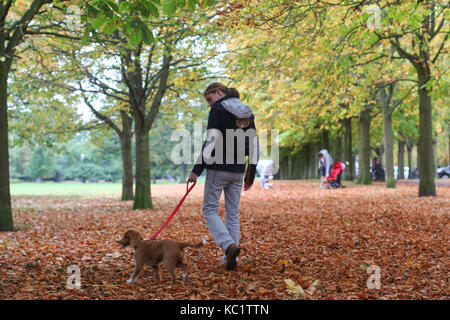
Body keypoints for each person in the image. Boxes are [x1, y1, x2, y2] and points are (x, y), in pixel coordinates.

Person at [188, 82, 258, 271]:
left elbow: (211, 141)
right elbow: (254, 142)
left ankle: (228, 246)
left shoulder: (218, 109)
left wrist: (196, 170)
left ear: (218, 92)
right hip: (238, 170)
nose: (210, 105)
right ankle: (229, 259)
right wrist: (250, 173)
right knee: (232, 213)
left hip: (218, 168)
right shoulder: (246, 110)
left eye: (210, 100)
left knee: (209, 209)